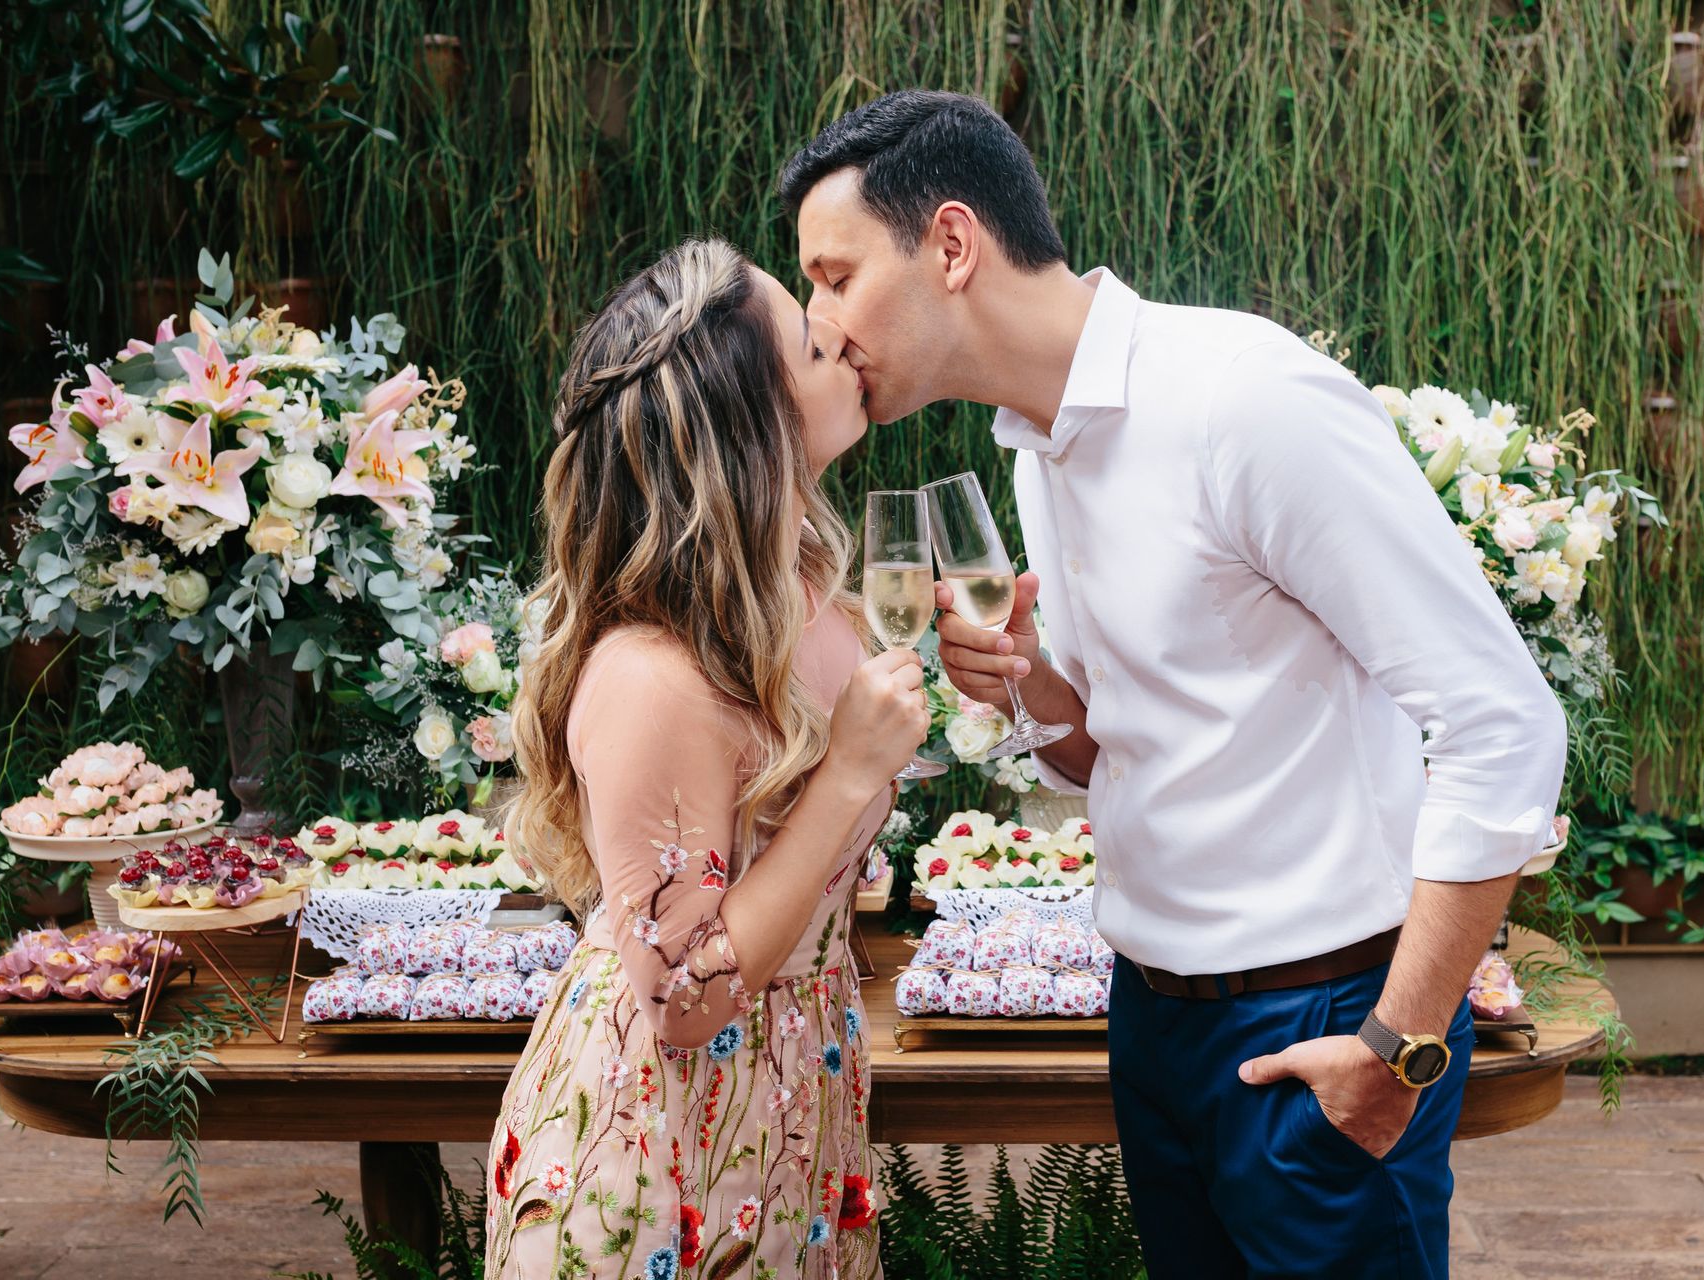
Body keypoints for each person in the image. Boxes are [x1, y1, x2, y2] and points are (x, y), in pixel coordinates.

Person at [781, 91, 1568, 1279]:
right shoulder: (1036, 445)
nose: (819, 325)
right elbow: (1122, 745)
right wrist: (1030, 683)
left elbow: (1502, 721)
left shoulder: (1241, 399)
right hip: (1155, 1024)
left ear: (951, 244)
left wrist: (1396, 1045)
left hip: (1324, 1015)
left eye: (834, 276)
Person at [484, 238, 928, 1280]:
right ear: (749, 425)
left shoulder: (808, 602)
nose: (846, 343)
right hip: (656, 1158)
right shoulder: (653, 675)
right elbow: (685, 997)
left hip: (788, 1123)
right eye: (815, 346)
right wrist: (850, 774)